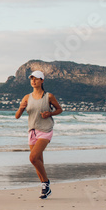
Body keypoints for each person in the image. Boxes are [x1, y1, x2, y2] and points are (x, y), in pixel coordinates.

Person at [15, 70, 63, 199]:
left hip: (45, 130)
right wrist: (21, 108)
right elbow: (17, 116)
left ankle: (46, 183)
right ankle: (45, 187)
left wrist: (50, 114)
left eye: (36, 79)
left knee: (33, 158)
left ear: (42, 80)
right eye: (31, 79)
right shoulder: (27, 97)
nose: (33, 81)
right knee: (38, 161)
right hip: (32, 132)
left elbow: (59, 109)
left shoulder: (49, 96)